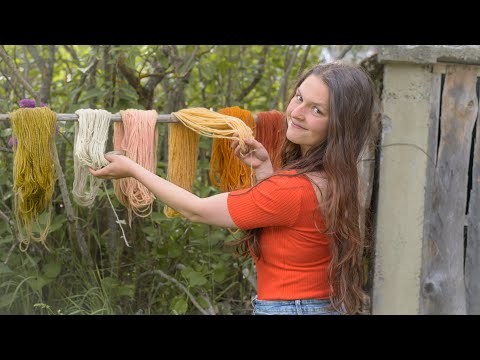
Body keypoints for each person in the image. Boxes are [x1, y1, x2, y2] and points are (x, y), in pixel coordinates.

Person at [89, 61, 375, 315]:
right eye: (299, 97)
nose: (296, 112)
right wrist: (265, 171)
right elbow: (292, 229)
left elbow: (197, 210)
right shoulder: (337, 176)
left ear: (338, 126)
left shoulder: (292, 189)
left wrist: (132, 169)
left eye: (317, 109)